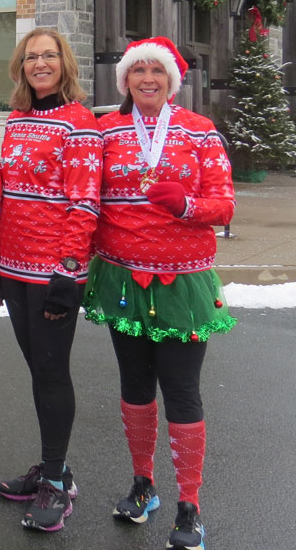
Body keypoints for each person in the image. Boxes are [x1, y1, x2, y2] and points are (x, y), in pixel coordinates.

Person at [85, 37, 235, 550]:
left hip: (183, 284)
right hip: (123, 281)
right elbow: (85, 199)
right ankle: (143, 483)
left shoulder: (200, 131)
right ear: (124, 79)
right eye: (138, 70)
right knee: (134, 385)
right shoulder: (104, 131)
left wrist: (188, 204)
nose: (147, 78)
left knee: (182, 389)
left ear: (172, 80)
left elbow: (224, 206)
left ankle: (189, 504)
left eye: (157, 70)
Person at [0, 27, 101, 532]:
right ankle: (54, 467)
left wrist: (69, 271)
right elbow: (8, 197)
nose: (40, 64)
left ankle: (56, 483)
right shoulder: (15, 120)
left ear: (64, 63)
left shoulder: (79, 123)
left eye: (49, 55)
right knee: (39, 371)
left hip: (53, 272)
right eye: (32, 56)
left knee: (53, 373)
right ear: (21, 65)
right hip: (13, 268)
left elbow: (84, 203)